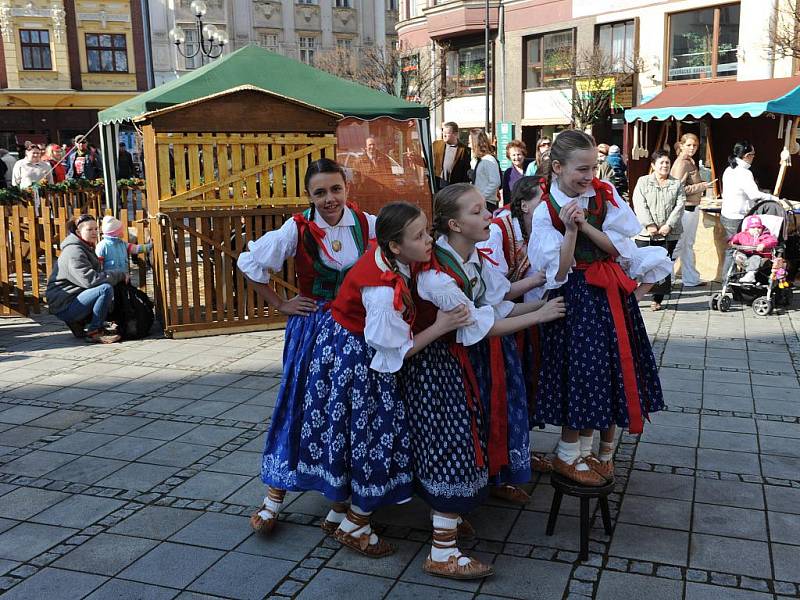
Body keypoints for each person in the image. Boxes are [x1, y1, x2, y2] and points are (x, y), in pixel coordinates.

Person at [405, 182, 565, 580]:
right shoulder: (436, 275)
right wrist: (540, 315)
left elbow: (496, 300)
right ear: (455, 223)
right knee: (451, 446)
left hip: (461, 362)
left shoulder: (470, 258)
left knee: (463, 441)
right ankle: (441, 552)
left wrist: (546, 300)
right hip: (438, 368)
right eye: (477, 211)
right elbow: (482, 323)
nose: (488, 214)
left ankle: (449, 524)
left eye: (485, 207)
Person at [297, 202, 472, 558]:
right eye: (420, 236)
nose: (429, 241)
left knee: (357, 433)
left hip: (352, 349)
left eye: (427, 231)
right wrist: (440, 326)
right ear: (395, 245)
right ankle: (356, 524)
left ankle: (341, 512)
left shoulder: (391, 258)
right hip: (361, 360)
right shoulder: (380, 290)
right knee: (377, 435)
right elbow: (395, 353)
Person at [236, 158, 375, 537]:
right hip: (313, 328)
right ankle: (273, 499)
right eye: (320, 192)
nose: (329, 199)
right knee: (299, 404)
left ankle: (338, 497)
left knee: (341, 412)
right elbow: (249, 264)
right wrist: (281, 304)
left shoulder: (368, 224)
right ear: (309, 195)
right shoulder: (296, 229)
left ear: (346, 187)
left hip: (355, 330)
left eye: (335, 189)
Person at [528, 130, 669, 486]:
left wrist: (584, 227)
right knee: (581, 371)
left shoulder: (603, 197)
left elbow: (620, 250)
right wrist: (571, 233)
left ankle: (588, 452)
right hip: (576, 296)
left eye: (593, 168)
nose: (589, 176)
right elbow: (557, 272)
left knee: (605, 370)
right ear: (557, 167)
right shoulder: (545, 210)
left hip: (608, 295)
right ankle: (566, 453)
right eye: (581, 169)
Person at [45, 214, 125, 343]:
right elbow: (90, 281)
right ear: (78, 231)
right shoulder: (74, 251)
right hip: (64, 304)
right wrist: (119, 274)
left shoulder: (85, 246)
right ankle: (94, 331)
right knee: (104, 289)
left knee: (106, 285)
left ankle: (78, 323)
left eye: (95, 229)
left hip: (73, 298)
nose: (94, 232)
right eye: (89, 230)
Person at [632, 150, 686, 311]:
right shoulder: (643, 181)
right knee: (639, 264)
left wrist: (668, 225)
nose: (664, 166)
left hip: (669, 233)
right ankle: (634, 294)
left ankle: (658, 298)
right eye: (661, 163)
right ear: (653, 165)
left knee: (662, 265)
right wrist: (649, 224)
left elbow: (680, 205)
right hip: (645, 232)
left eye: (667, 163)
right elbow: (639, 203)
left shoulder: (676, 184)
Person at [720, 141, 778, 282]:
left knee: (732, 248)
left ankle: (731, 279)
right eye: (753, 155)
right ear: (746, 156)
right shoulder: (744, 173)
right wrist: (772, 197)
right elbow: (754, 194)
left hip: (727, 213)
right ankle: (731, 280)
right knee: (738, 249)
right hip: (737, 216)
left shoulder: (729, 169)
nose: (754, 157)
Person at [670, 133, 713, 288]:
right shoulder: (682, 162)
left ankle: (690, 278)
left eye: (694, 145)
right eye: (689, 145)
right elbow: (677, 188)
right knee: (679, 244)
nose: (692, 148)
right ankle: (666, 279)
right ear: (681, 145)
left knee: (687, 244)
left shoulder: (688, 161)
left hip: (691, 208)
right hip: (685, 209)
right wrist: (701, 186)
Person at [729, 215, 778, 283]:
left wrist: (763, 245)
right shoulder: (742, 235)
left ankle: (750, 274)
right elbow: (734, 239)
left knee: (755, 258)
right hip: (745, 256)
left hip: (761, 257)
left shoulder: (765, 236)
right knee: (737, 254)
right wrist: (731, 242)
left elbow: (773, 241)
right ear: (748, 229)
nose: (756, 230)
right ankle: (744, 268)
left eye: (759, 227)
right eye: (753, 227)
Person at [469, 129, 502, 212]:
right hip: (479, 201)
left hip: (488, 203)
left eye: (470, 142)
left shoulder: (489, 159)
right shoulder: (476, 160)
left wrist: (483, 196)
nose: (469, 145)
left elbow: (495, 182)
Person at [432, 121, 471, 190]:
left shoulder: (465, 150)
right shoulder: (436, 145)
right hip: (438, 186)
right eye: (443, 132)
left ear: (455, 134)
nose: (444, 135)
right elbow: (428, 162)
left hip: (454, 188)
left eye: (447, 133)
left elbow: (465, 173)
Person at [501, 140, 533, 205]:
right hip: (516, 207)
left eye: (519, 154)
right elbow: (506, 195)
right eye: (513, 155)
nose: (516, 158)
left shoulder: (532, 166)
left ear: (523, 155)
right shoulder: (508, 173)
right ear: (509, 157)